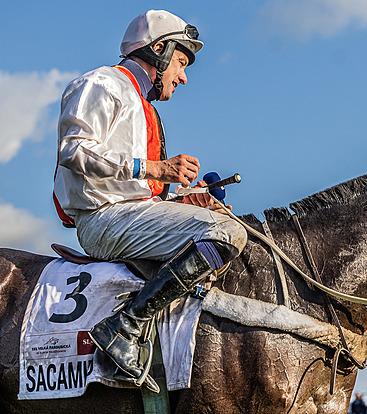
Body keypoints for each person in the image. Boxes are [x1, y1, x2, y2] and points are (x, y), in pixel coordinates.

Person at [53, 10, 247, 392]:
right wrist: (155, 169)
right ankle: (125, 326)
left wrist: (186, 198)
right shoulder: (102, 83)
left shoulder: (145, 108)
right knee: (228, 234)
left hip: (129, 213)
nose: (184, 76)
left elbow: (138, 185)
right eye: (181, 62)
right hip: (102, 219)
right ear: (159, 50)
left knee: (226, 226)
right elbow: (73, 151)